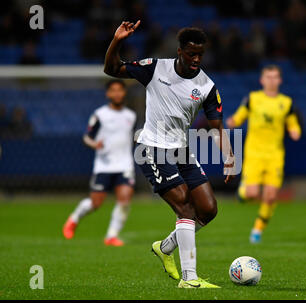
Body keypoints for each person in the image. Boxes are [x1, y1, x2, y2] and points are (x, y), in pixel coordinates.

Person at [104, 21, 236, 288]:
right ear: (180, 51)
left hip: (182, 150)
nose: (196, 59)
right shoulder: (155, 68)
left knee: (208, 210)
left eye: (200, 54)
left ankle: (164, 248)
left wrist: (230, 156)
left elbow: (216, 127)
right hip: (152, 147)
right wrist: (117, 40)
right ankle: (189, 279)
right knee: (185, 207)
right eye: (191, 54)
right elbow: (112, 69)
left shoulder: (207, 87)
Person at [226, 65, 301, 243]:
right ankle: (242, 192)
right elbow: (239, 117)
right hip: (254, 153)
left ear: (280, 80)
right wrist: (233, 121)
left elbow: (292, 122)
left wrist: (295, 130)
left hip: (275, 154)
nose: (271, 80)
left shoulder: (286, 102)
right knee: (252, 194)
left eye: (275, 77)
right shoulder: (253, 99)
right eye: (268, 77)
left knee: (271, 196)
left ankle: (257, 230)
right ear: (262, 80)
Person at [63, 80, 136, 247]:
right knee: (95, 203)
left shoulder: (130, 116)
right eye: (113, 90)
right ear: (107, 94)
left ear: (124, 93)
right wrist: (94, 144)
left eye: (120, 90)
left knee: (124, 200)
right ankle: (74, 218)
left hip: (125, 165)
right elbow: (87, 137)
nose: (117, 93)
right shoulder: (100, 115)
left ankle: (111, 236)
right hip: (104, 166)